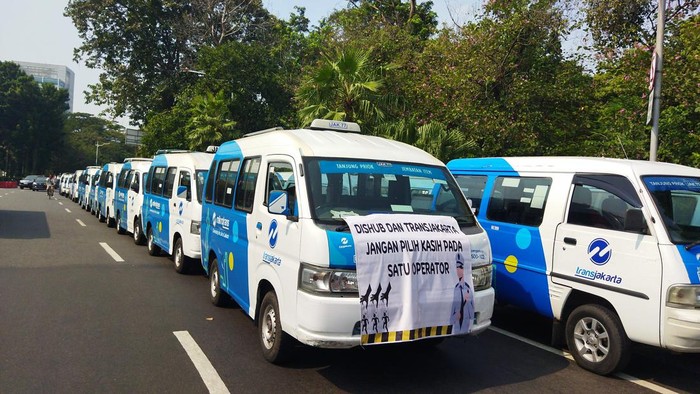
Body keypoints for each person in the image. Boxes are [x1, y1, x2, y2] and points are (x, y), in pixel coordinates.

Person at [450, 252, 474, 334]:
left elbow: (472, 315)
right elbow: (451, 317)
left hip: (465, 327)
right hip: (456, 328)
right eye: (457, 268)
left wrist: (468, 301)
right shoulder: (456, 289)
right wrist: (455, 317)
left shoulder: (468, 289)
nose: (458, 270)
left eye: (460, 267)